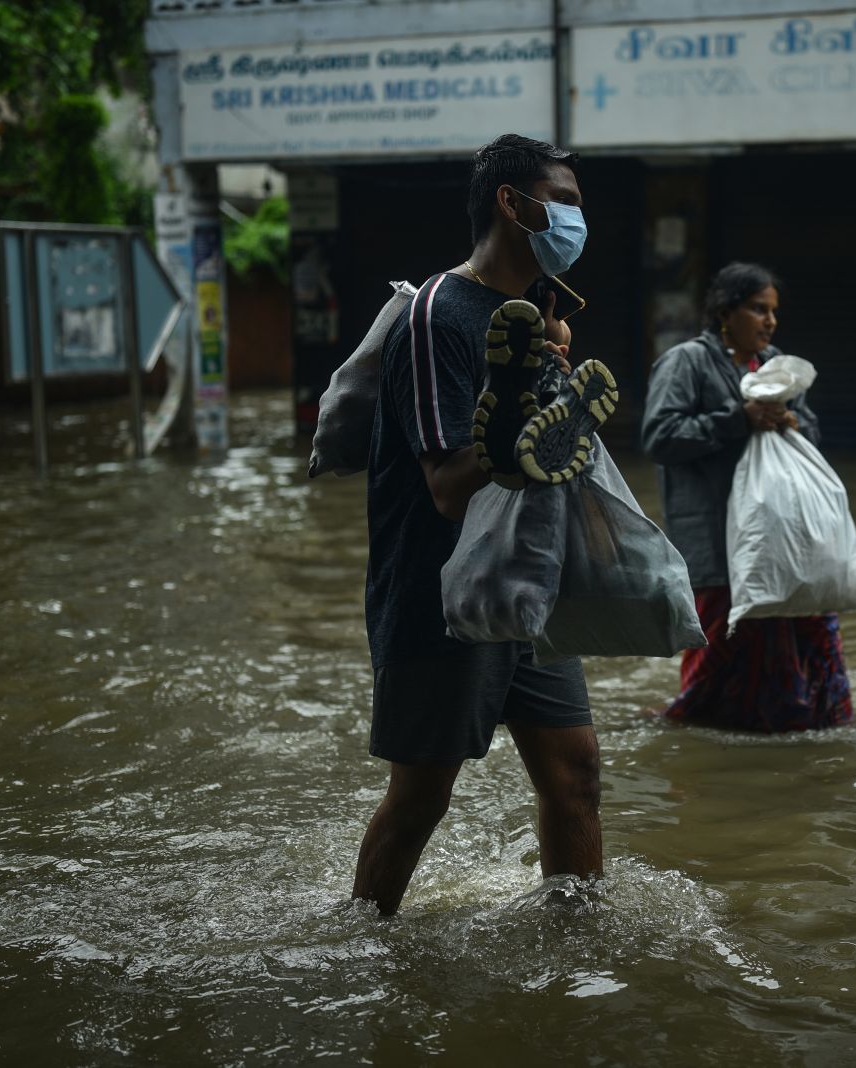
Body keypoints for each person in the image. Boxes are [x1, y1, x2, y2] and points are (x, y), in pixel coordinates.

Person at [353, 133, 616, 916]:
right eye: (563, 202)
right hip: (440, 594)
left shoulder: (537, 314)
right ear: (513, 202)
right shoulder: (440, 315)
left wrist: (555, 416)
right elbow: (444, 488)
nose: (576, 221)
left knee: (577, 774)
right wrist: (515, 446)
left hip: (523, 580)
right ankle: (364, 945)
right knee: (421, 800)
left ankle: (577, 949)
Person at [641, 262, 854, 732]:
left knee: (808, 635)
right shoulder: (687, 363)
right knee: (719, 653)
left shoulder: (776, 366)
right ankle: (697, 736)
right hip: (716, 541)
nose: (770, 321)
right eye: (759, 309)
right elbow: (660, 436)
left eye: (774, 311)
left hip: (781, 540)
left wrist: (793, 423)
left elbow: (812, 430)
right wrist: (739, 418)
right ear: (725, 311)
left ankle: (805, 725)